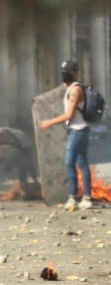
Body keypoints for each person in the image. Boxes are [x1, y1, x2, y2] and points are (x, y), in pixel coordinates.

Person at [38, 60, 93, 209]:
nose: (65, 75)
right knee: (82, 163)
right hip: (80, 130)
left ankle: (73, 197)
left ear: (74, 73)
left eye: (67, 73)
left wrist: (48, 122)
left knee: (70, 162)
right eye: (63, 72)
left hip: (78, 131)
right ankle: (87, 198)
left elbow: (69, 114)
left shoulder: (75, 90)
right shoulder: (73, 87)